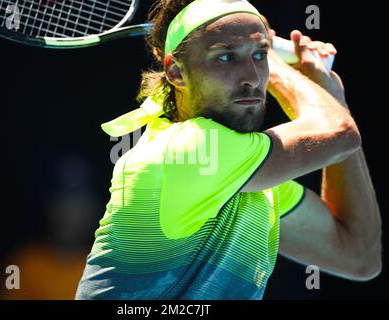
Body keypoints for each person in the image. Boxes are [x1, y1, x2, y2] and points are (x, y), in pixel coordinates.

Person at [76, 0, 382, 300]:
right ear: (176, 71)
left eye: (259, 55)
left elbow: (359, 257)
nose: (251, 77)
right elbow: (339, 132)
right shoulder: (191, 149)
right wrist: (283, 69)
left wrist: (330, 96)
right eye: (225, 57)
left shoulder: (256, 183)